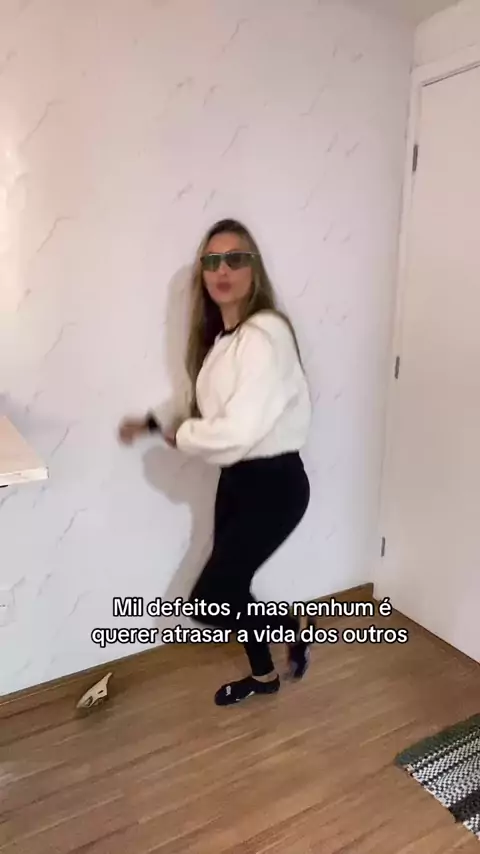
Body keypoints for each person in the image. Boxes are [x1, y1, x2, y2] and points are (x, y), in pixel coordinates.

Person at [118, 218, 313, 706]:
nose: (222, 269)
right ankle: (265, 676)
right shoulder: (224, 342)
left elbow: (238, 431)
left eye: (235, 259)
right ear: (202, 274)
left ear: (253, 270)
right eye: (211, 261)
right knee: (233, 588)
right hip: (239, 481)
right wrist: (150, 422)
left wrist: (180, 435)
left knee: (209, 601)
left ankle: (291, 626)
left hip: (275, 486)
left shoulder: (265, 335)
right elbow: (196, 402)